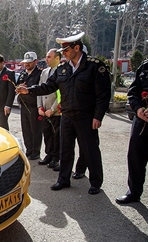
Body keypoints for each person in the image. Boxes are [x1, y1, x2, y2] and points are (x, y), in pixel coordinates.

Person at [16, 32, 111, 195]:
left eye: (66, 50)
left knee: (90, 150)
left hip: (86, 116)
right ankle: (63, 179)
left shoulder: (94, 66)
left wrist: (98, 116)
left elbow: (103, 94)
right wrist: (28, 90)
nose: (63, 54)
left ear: (77, 48)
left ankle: (95, 182)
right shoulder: (63, 69)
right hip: (67, 115)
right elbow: (48, 87)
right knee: (65, 149)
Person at [116, 59, 148, 204]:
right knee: (135, 157)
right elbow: (134, 90)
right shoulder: (145, 66)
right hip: (141, 121)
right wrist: (138, 108)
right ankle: (134, 192)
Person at [37, 49, 61, 169]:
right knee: (47, 134)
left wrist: (53, 109)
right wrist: (39, 106)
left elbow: (61, 94)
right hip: (44, 110)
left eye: (49, 57)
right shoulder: (45, 72)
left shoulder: (61, 72)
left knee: (56, 135)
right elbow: (41, 89)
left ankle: (56, 157)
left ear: (57, 58)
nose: (46, 59)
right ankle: (49, 154)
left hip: (55, 112)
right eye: (46, 57)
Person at [16, 51, 42, 160]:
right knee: (26, 130)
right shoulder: (23, 74)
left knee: (35, 130)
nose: (26, 65)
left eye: (29, 62)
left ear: (35, 62)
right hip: (23, 105)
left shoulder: (39, 74)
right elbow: (16, 87)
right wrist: (18, 87)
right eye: (25, 63)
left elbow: (40, 89)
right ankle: (29, 150)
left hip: (34, 106)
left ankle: (35, 151)